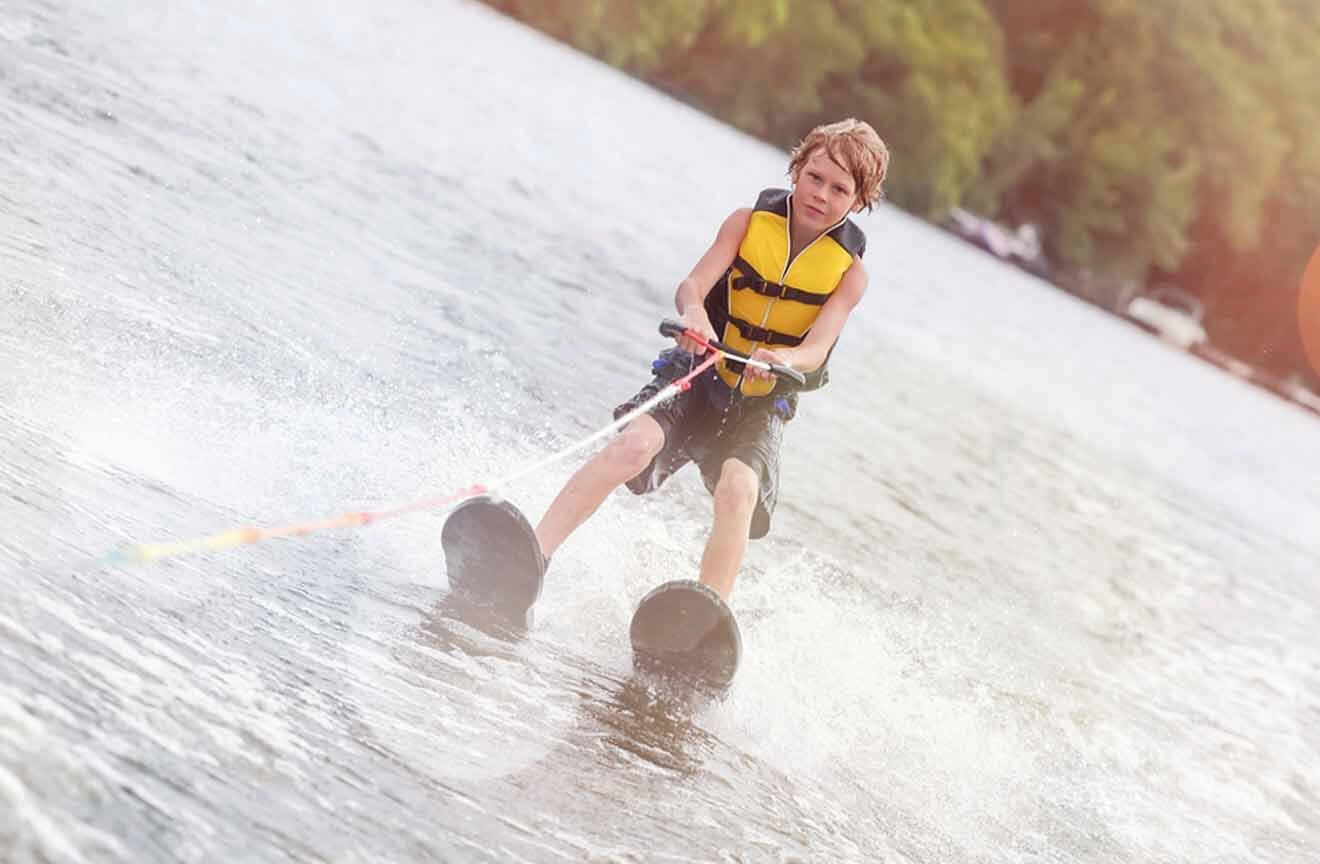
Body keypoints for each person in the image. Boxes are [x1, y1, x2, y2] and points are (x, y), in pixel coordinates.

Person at [534, 118, 889, 601]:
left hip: (763, 398)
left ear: (859, 200)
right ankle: (536, 551)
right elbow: (693, 285)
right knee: (633, 445)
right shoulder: (745, 223)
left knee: (738, 491)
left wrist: (783, 357)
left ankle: (706, 617)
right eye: (814, 177)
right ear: (796, 169)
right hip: (701, 370)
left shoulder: (851, 276)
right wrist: (696, 314)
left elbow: (817, 348)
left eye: (839, 189)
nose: (821, 195)